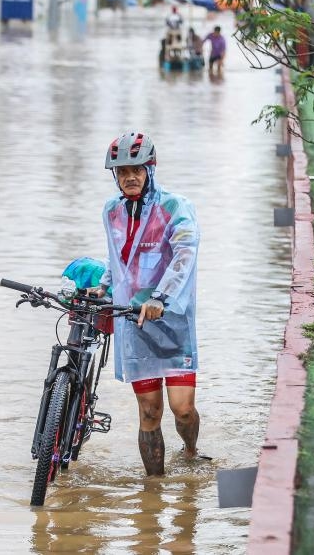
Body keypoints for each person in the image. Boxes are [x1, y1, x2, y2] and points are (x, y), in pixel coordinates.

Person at [91, 132, 202, 475]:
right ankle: (152, 495)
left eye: (136, 169)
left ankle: (190, 449)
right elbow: (118, 259)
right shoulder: (112, 211)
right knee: (150, 412)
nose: (130, 177)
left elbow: (184, 254)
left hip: (171, 321)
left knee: (181, 409)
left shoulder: (174, 207)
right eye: (122, 171)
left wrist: (161, 297)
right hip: (133, 321)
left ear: (150, 169)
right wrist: (104, 287)